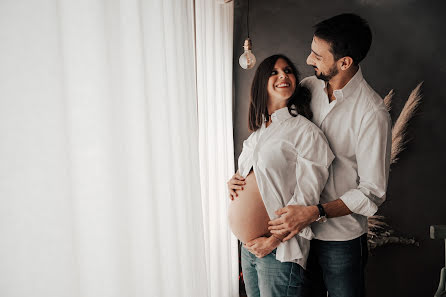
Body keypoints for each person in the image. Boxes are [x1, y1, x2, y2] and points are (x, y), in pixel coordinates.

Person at [266, 14, 392, 297]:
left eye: (317, 55)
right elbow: (273, 132)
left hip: (341, 241)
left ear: (344, 62)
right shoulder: (308, 88)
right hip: (299, 237)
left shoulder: (372, 114)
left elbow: (372, 192)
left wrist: (315, 212)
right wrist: (242, 175)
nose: (309, 60)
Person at [227, 54, 334, 297]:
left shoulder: (306, 133)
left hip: (279, 249)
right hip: (249, 249)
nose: (283, 75)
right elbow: (257, 180)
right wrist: (233, 182)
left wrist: (272, 242)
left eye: (287, 70)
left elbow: (305, 199)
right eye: (274, 72)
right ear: (262, 82)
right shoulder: (256, 135)